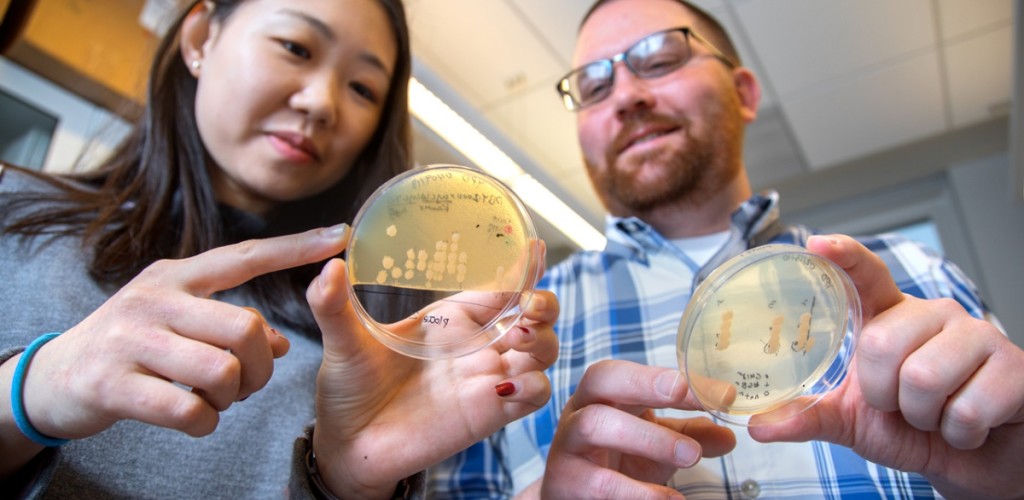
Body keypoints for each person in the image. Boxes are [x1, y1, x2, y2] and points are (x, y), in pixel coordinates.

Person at [433, 0, 1024, 498]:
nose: (626, 96)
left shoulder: (916, 274)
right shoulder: (509, 327)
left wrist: (1007, 477)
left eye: (660, 60)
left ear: (742, 92)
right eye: (593, 87)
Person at [0, 0, 560, 498]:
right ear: (201, 38)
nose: (322, 102)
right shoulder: (9, 207)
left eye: (363, 88)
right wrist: (29, 391)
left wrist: (343, 484)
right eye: (296, 47)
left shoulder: (371, 346)